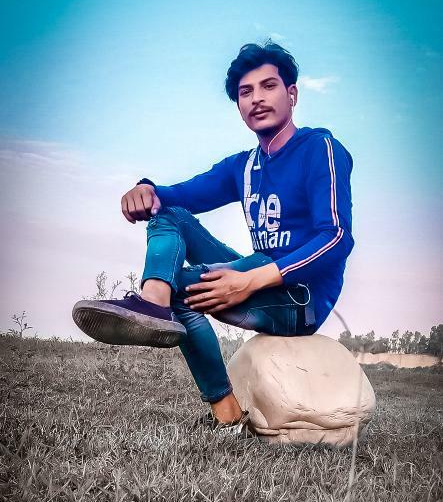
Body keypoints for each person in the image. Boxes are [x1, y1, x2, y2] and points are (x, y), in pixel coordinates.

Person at [73, 40, 354, 436]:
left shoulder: (320, 149)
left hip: (300, 296)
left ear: (292, 94)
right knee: (171, 214)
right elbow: (180, 194)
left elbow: (337, 238)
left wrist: (248, 281)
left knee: (186, 287)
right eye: (245, 92)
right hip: (256, 272)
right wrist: (146, 189)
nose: (256, 98)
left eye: (268, 86)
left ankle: (220, 406)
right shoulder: (244, 166)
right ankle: (156, 304)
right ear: (238, 106)